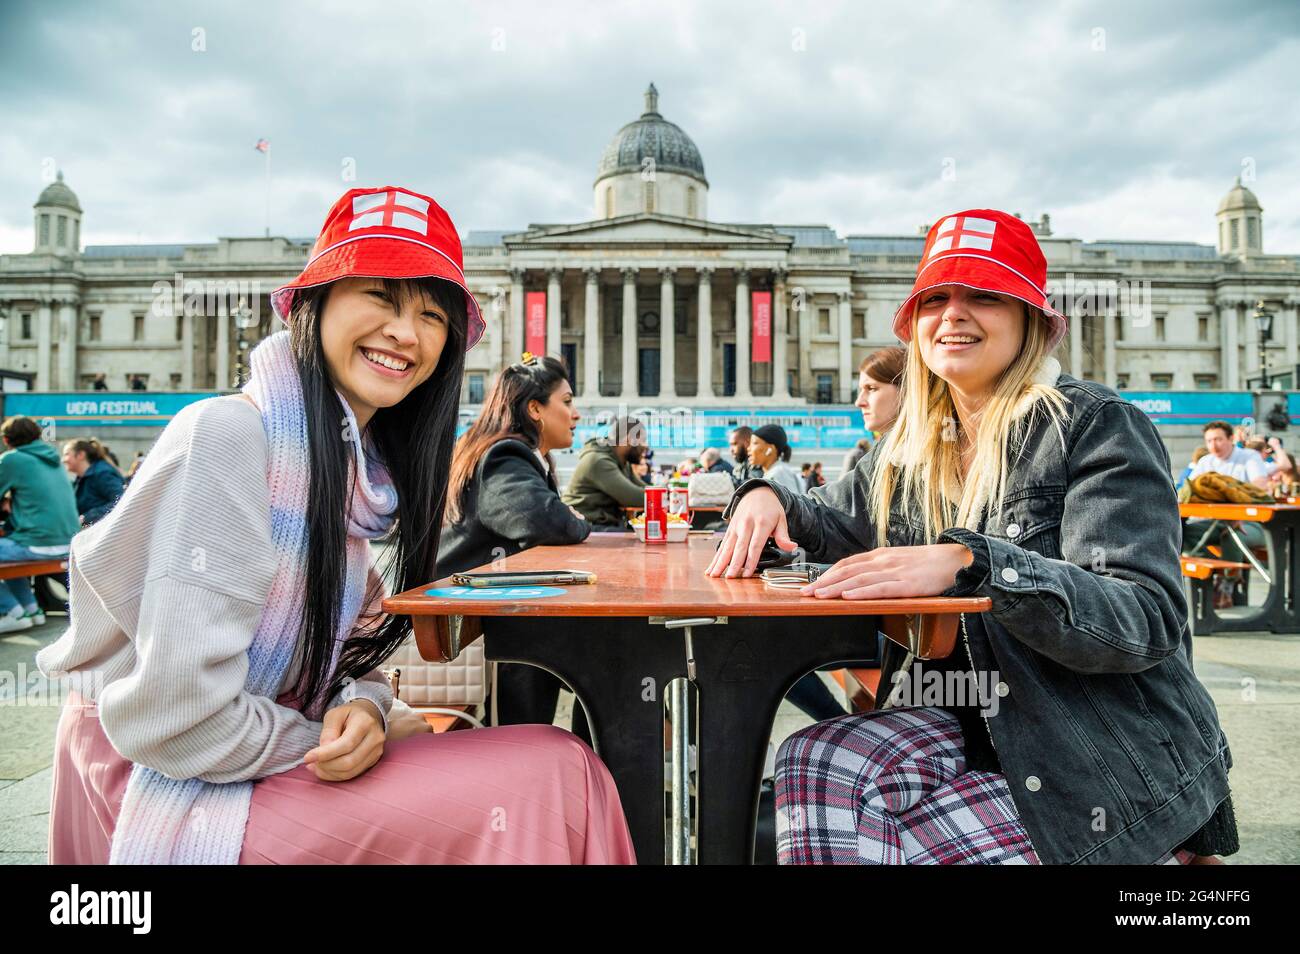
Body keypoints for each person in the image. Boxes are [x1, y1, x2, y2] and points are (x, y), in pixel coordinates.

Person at [36, 185, 635, 865]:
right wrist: (332, 728)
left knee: (559, 768)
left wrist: (367, 708)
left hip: (248, 752)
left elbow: (355, 657)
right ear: (314, 305)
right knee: (558, 776)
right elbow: (176, 719)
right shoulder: (229, 437)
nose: (406, 332)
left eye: (432, 315)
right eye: (380, 295)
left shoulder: (355, 477)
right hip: (160, 779)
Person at [709, 208, 1236, 865]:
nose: (953, 314)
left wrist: (975, 563)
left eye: (983, 294)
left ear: (1034, 321)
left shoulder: (1096, 426)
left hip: (1092, 752)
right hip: (970, 727)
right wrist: (762, 495)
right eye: (936, 297)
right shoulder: (910, 449)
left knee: (855, 836)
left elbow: (1144, 619)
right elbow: (828, 517)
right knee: (816, 757)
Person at [439, 352, 592, 736]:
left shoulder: (510, 453)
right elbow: (545, 521)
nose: (576, 414)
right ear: (535, 409)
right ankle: (530, 745)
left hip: (485, 607)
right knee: (593, 647)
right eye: (568, 402)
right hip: (463, 618)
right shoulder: (504, 455)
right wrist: (574, 518)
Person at [0, 417, 80, 632]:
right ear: (37, 436)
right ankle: (31, 609)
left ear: (7, 440)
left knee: (11, 547)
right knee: (10, 548)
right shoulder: (54, 460)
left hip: (38, 543)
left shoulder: (12, 459)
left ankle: (12, 612)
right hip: (68, 542)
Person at [563, 417, 650, 528]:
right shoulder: (599, 461)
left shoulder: (622, 463)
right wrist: (667, 496)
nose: (645, 445)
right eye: (642, 440)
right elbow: (632, 496)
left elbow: (647, 490)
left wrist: (668, 493)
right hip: (582, 525)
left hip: (600, 524)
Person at [62, 438, 126, 526]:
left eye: (66, 454)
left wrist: (87, 517)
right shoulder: (81, 478)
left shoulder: (103, 473)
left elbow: (121, 501)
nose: (63, 460)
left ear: (81, 455)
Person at [749, 424, 804, 496]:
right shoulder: (773, 472)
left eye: (754, 443)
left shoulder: (780, 473)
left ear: (770, 449)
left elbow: (793, 506)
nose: (748, 448)